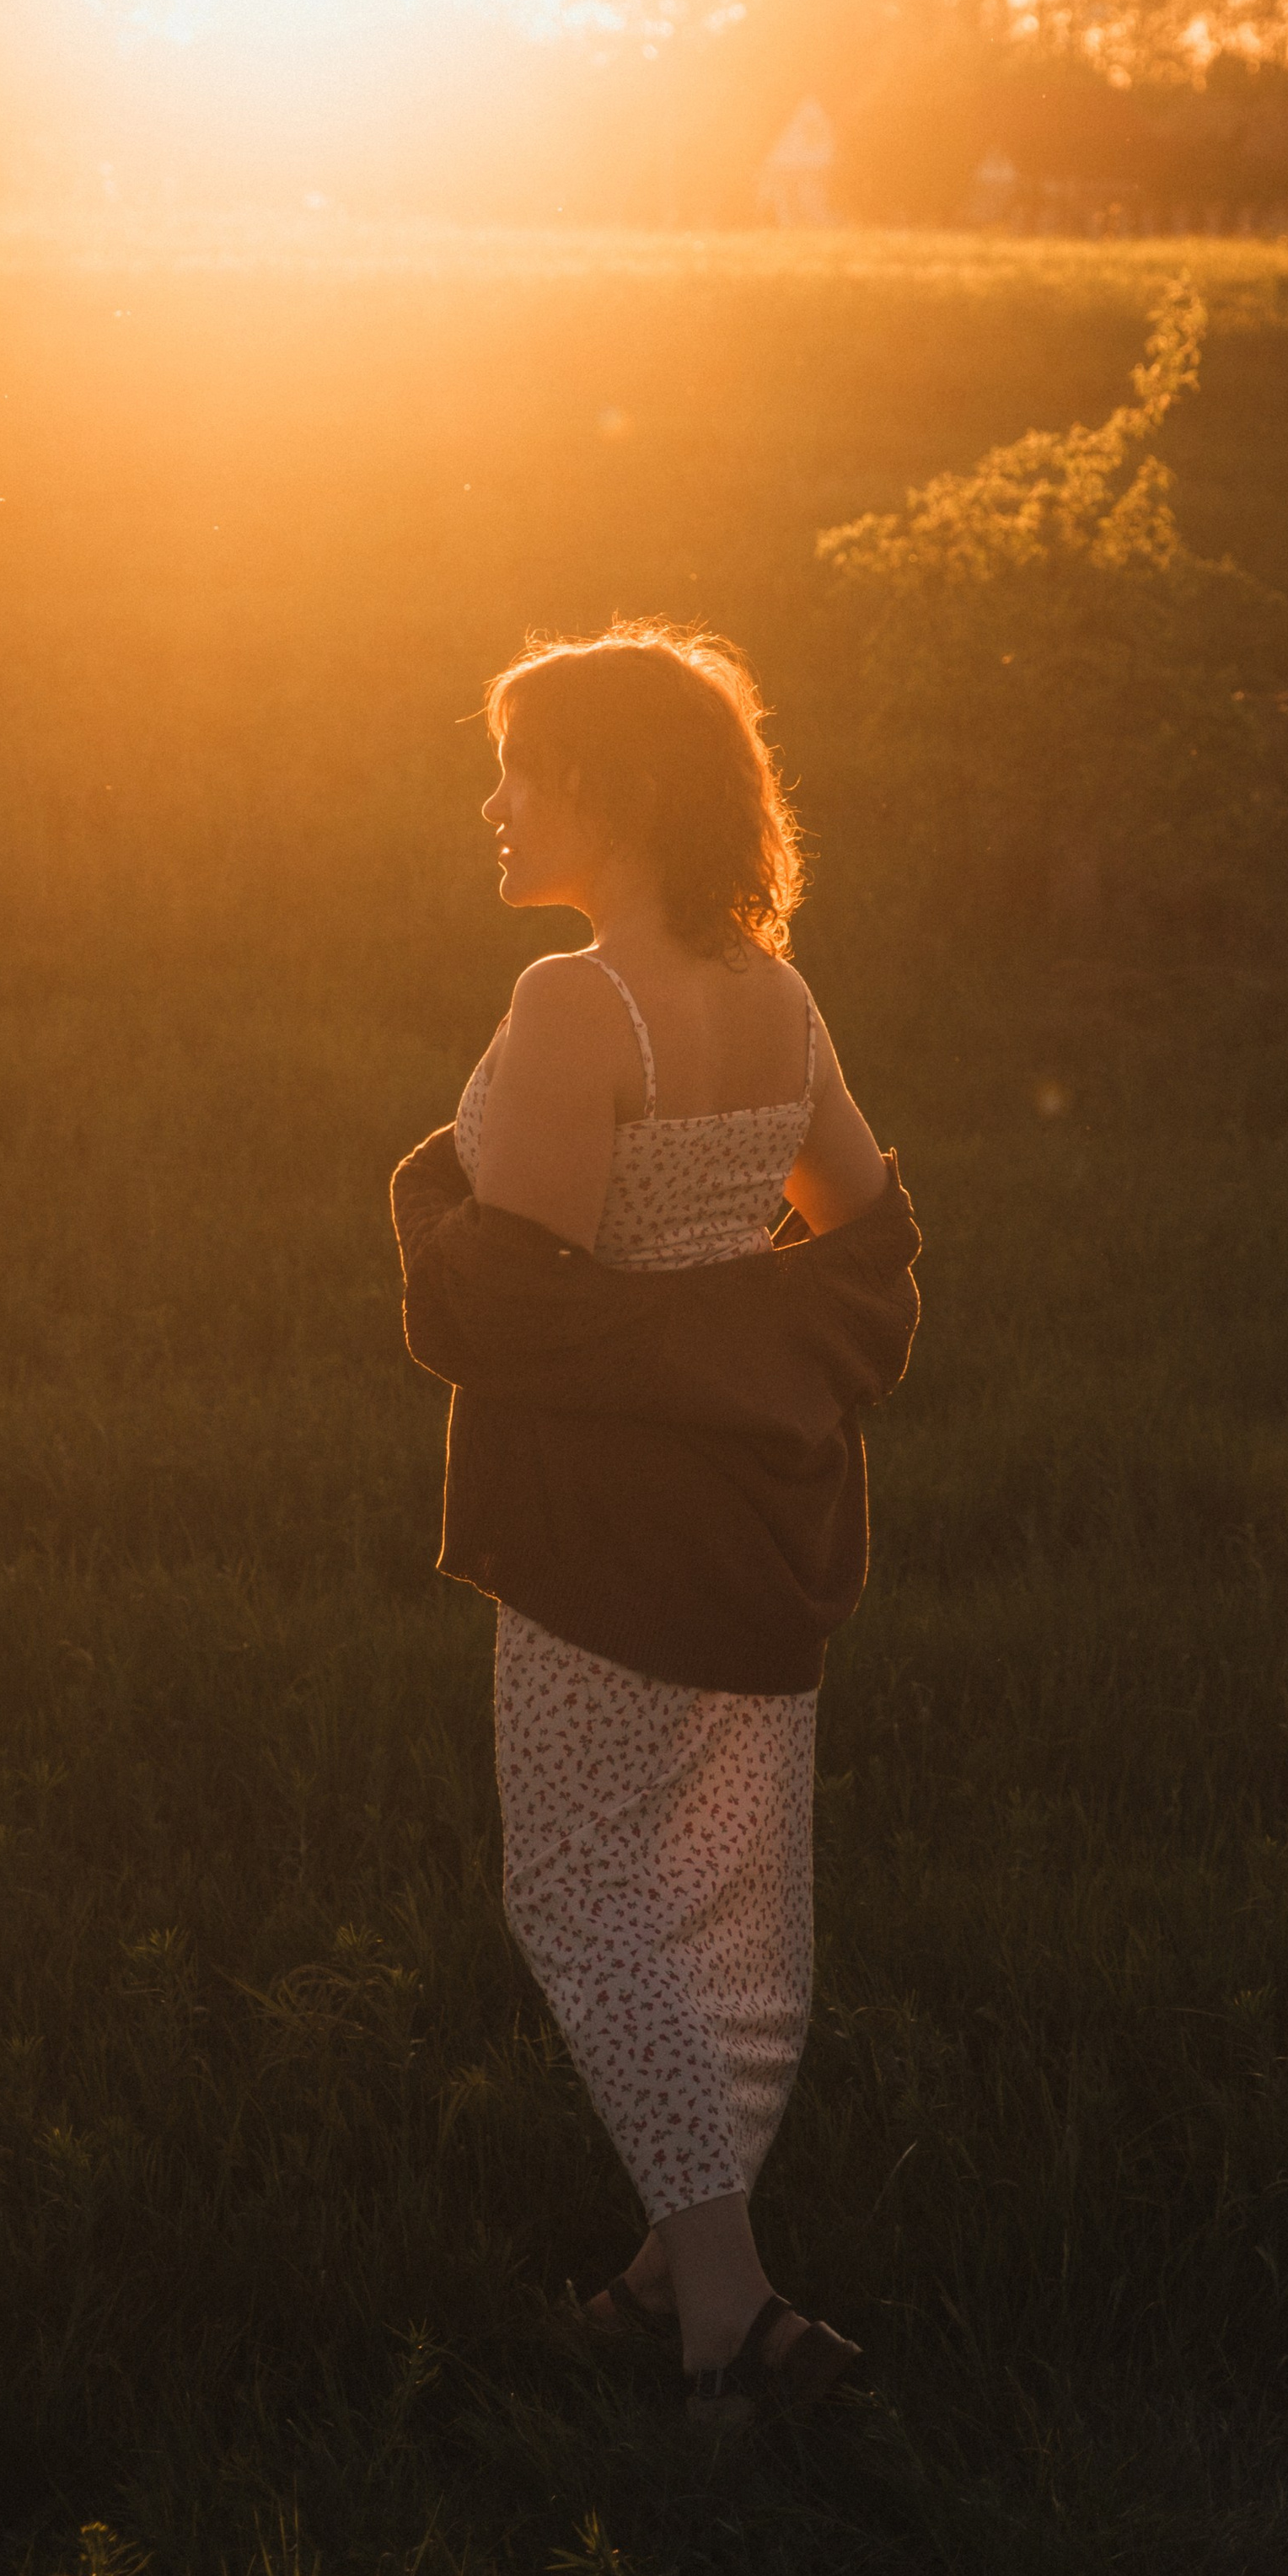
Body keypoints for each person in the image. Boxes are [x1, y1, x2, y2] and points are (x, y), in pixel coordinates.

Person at [389, 620, 920, 2432]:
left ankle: (728, 2316)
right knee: (723, 1911)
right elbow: (862, 1236)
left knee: (582, 1896)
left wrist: (429, 1195)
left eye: (516, 766)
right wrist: (749, 1347)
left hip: (605, 1527)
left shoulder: (570, 1004)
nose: (490, 801)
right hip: (759, 1514)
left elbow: (517, 1308)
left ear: (600, 791)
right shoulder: (777, 995)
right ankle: (664, 2274)